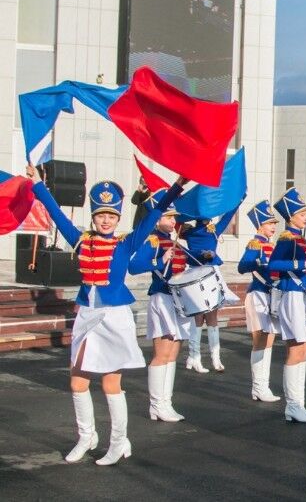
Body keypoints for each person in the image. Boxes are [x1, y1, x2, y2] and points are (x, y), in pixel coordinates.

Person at [26, 163, 186, 465]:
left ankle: (118, 442)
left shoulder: (126, 243)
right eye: (101, 215)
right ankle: (86, 436)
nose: (106, 220)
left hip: (114, 317)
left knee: (111, 384)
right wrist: (37, 184)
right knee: (77, 382)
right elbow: (57, 215)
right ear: (94, 216)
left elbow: (154, 213)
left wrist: (177, 185)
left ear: (118, 218)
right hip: (87, 315)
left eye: (111, 216)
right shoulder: (81, 240)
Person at [128, 189, 191, 422]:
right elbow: (134, 266)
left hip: (178, 299)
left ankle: (166, 402)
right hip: (162, 297)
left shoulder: (174, 241)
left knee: (173, 352)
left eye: (174, 217)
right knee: (162, 353)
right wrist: (159, 260)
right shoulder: (153, 240)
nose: (173, 221)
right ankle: (156, 404)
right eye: (168, 217)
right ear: (156, 219)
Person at [266, 187, 306, 423]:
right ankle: (292, 405)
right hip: (292, 295)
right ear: (291, 217)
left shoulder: (300, 238)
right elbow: (273, 265)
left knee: (304, 349)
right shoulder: (286, 238)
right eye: (302, 214)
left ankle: (298, 404)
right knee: (296, 348)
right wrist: (301, 265)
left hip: (304, 296)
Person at [181, 206, 240, 373]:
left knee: (206, 316)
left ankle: (209, 358)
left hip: (205, 274)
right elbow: (228, 215)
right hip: (201, 274)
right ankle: (199, 357)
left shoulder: (193, 232)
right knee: (203, 317)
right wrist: (238, 199)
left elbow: (228, 215)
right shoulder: (202, 231)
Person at [238, 199, 282, 402]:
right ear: (259, 225)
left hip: (270, 295)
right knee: (260, 341)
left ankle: (263, 386)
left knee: (269, 340)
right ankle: (258, 387)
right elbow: (242, 266)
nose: (273, 227)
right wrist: (258, 261)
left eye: (274, 223)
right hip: (257, 294)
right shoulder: (255, 244)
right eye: (269, 223)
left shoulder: (270, 245)